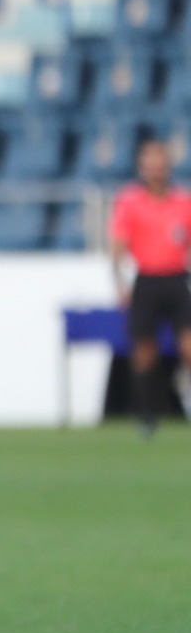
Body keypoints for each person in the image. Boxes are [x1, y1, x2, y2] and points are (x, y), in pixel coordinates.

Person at [109, 138, 191, 434]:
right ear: (142, 169)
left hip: (177, 279)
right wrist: (120, 283)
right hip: (147, 280)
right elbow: (118, 246)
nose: (156, 171)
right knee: (144, 351)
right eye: (150, 165)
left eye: (160, 165)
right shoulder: (130, 202)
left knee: (188, 346)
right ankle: (147, 414)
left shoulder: (183, 201)